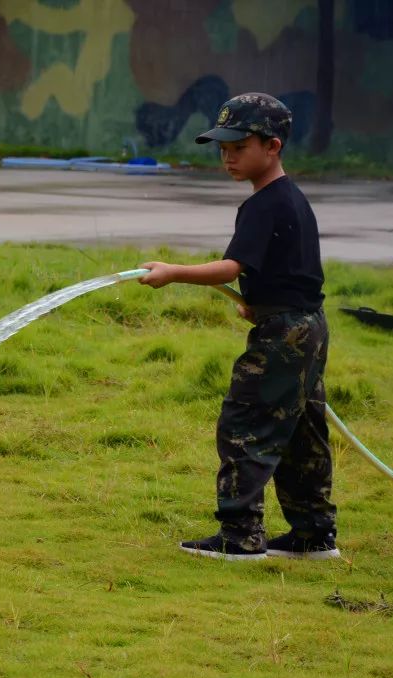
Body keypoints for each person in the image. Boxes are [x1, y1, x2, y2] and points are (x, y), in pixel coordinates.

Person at [138, 92, 339, 561]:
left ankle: (240, 536)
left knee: (245, 423)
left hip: (285, 336)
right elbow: (294, 273)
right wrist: (262, 303)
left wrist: (172, 272)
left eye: (239, 147)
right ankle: (313, 535)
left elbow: (231, 268)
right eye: (222, 148)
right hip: (307, 328)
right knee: (300, 431)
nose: (227, 157)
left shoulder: (265, 204)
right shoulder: (293, 200)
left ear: (272, 146)